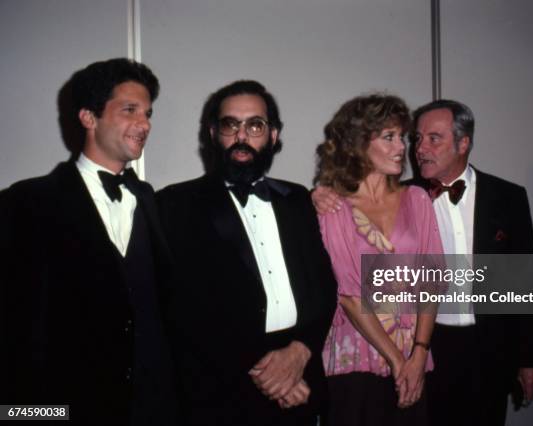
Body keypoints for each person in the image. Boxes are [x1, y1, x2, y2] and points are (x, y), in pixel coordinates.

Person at [313, 99, 533, 426]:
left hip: (488, 347)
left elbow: (523, 282)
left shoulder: (508, 196)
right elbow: (349, 284)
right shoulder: (410, 194)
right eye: (417, 138)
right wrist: (315, 195)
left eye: (433, 139)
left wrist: (530, 358)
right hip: (428, 344)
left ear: (463, 143)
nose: (418, 148)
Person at [0, 58, 177, 425]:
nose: (144, 124)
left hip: (152, 408)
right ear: (88, 117)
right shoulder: (26, 202)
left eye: (148, 113)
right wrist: (26, 416)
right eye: (130, 110)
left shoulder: (151, 200)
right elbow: (13, 328)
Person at [156, 80, 337, 426]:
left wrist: (300, 353)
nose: (242, 136)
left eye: (255, 125)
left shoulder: (297, 199)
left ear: (273, 135)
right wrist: (270, 375)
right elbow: (183, 307)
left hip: (302, 385)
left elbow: (323, 287)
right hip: (224, 393)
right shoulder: (175, 204)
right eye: (230, 125)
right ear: (213, 133)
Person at [313, 93, 443, 426]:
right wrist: (398, 361)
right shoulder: (334, 208)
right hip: (354, 362)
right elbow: (350, 297)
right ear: (358, 143)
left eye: (402, 137)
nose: (402, 147)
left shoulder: (417, 200)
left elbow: (432, 281)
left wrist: (419, 353)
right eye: (389, 137)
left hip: (414, 358)